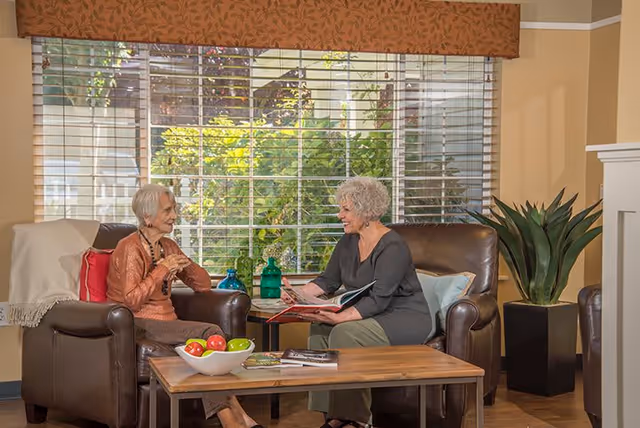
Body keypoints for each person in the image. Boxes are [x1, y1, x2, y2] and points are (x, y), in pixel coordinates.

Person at [106, 183, 262, 428]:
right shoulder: (130, 248)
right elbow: (131, 300)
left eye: (174, 209)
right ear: (147, 216)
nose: (174, 216)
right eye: (168, 211)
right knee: (211, 333)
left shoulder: (167, 246)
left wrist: (184, 266)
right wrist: (162, 270)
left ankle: (240, 418)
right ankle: (232, 420)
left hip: (168, 324)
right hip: (137, 322)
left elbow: (202, 284)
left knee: (202, 356)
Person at [282, 176, 431, 428]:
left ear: (367, 211)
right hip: (372, 314)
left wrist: (340, 317)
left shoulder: (393, 246)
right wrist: (297, 293)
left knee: (344, 332)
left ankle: (357, 420)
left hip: (403, 317)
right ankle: (331, 415)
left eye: (346, 209)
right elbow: (327, 281)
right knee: (319, 328)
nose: (340, 215)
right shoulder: (348, 241)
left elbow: (381, 298)